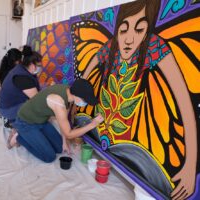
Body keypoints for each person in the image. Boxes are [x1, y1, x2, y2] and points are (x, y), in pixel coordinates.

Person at [82, 0, 197, 199]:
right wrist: (77, 100)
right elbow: (85, 74)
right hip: (100, 129)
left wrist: (190, 165)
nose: (128, 39)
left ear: (147, 32)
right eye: (123, 30)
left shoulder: (153, 46)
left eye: (139, 29)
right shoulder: (111, 46)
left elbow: (184, 103)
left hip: (136, 144)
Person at [11, 79, 104, 163]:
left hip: (41, 120)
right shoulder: (58, 102)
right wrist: (92, 124)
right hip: (26, 122)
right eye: (85, 100)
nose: (85, 103)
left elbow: (63, 120)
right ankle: (19, 137)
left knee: (60, 148)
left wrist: (64, 142)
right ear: (76, 95)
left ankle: (35, 137)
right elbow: (69, 134)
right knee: (49, 157)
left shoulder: (69, 93)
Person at [0, 46, 42, 148]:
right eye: (38, 65)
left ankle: (15, 122)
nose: (40, 68)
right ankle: (16, 132)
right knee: (36, 110)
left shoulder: (22, 69)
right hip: (7, 109)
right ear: (31, 65)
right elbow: (38, 100)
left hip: (8, 104)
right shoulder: (22, 77)